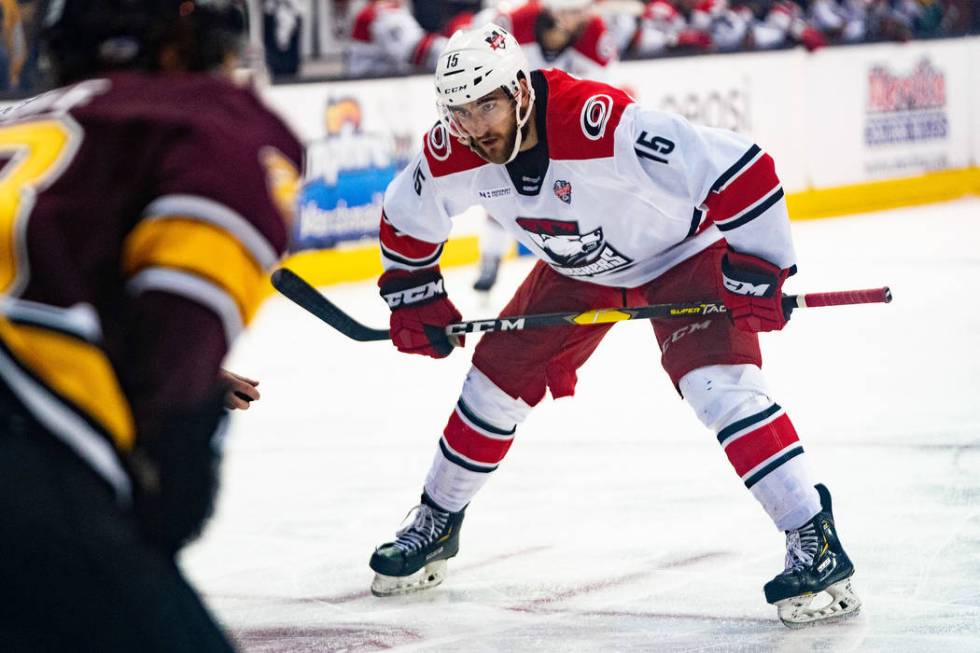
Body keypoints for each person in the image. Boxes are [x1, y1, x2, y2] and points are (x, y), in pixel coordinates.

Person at [368, 23, 861, 627]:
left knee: (718, 386)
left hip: (683, 254)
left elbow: (741, 166)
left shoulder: (597, 123)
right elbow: (404, 215)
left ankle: (814, 537)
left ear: (521, 92)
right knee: (493, 381)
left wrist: (763, 267)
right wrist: (415, 298)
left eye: (487, 105)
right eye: (461, 112)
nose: (475, 126)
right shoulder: (452, 148)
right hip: (575, 267)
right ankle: (437, 521)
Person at [0, 0, 302, 650]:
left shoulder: (17, 123)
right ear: (174, 44)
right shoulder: (203, 121)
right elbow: (174, 354)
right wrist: (178, 437)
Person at [462, 0, 618, 293]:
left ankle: (579, 260)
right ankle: (491, 257)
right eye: (575, 11)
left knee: (570, 193)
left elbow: (600, 92)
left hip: (561, 121)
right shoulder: (514, 22)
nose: (585, 16)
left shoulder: (593, 32)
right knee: (502, 191)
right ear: (556, 13)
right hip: (510, 120)